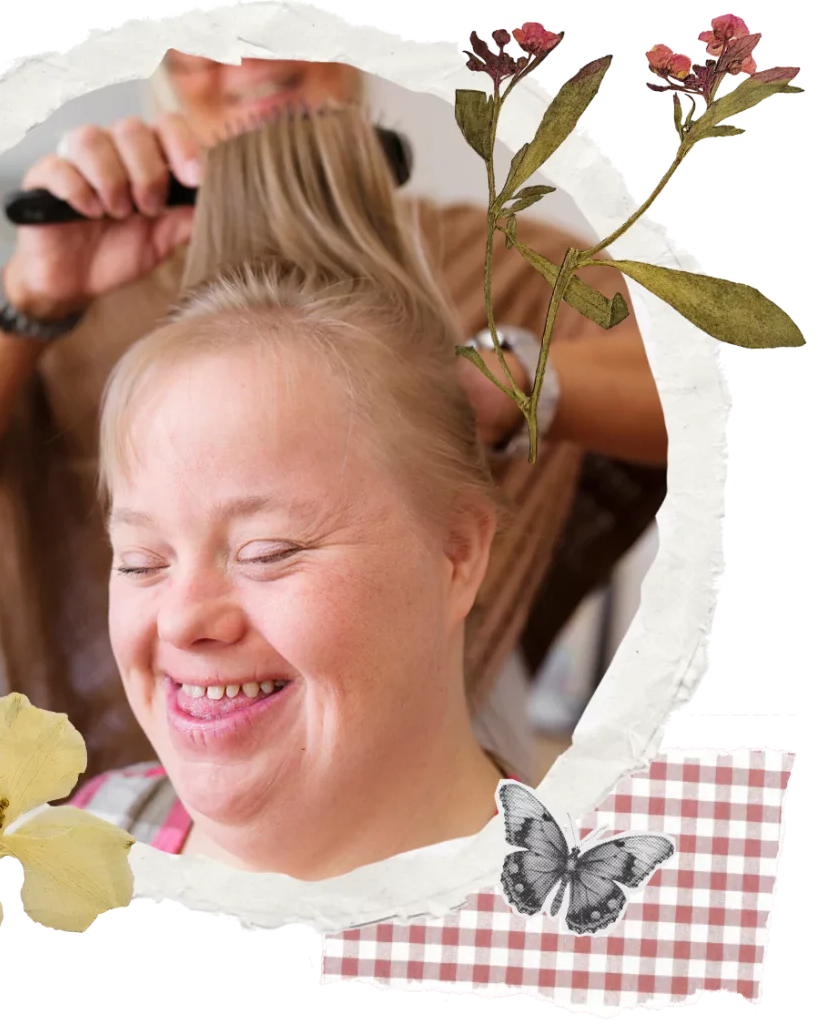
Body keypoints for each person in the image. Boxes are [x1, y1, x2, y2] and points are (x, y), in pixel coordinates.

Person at [0, 54, 667, 788]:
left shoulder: (500, 263)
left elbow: (704, 396)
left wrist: (497, 382)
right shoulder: (88, 301)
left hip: (433, 761)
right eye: (204, 40)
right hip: (153, 776)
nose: (249, 60)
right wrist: (34, 286)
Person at [78, 106, 515, 878]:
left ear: (457, 553)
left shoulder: (587, 910)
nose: (181, 618)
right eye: (142, 561)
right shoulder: (87, 839)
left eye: (267, 551)